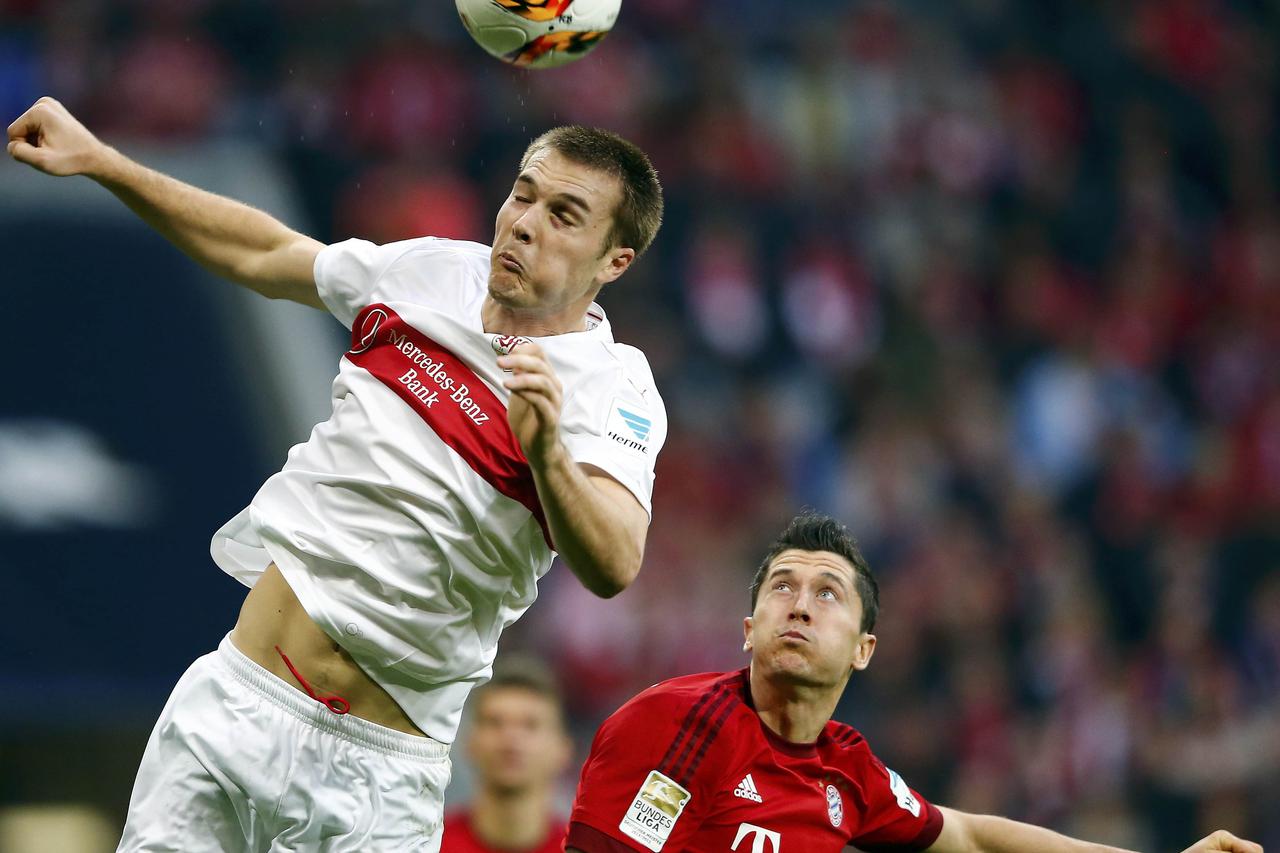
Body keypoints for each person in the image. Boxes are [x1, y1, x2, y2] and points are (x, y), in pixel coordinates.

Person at [7, 96, 666, 851]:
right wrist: (102, 161)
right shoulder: (427, 273)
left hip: (378, 785)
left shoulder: (613, 389)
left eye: (564, 214)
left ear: (615, 259)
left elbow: (615, 560)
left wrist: (547, 453)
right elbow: (263, 253)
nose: (524, 222)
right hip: (233, 711)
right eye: (524, 192)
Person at [565, 513, 1263, 853]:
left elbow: (971, 838)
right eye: (782, 586)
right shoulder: (673, 725)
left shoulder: (847, 768)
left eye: (828, 592)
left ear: (864, 649)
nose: (800, 603)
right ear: (748, 629)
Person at [442, 656, 571, 853]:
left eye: (530, 725)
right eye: (495, 722)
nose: (511, 739)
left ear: (562, 749)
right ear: (470, 743)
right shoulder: (429, 845)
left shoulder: (580, 849)